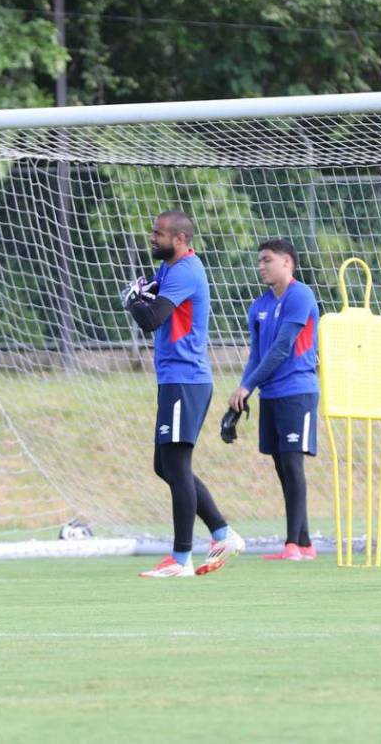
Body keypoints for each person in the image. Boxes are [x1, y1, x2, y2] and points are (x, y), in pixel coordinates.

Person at [123, 210, 244, 578]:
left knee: (176, 465)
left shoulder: (187, 270)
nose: (151, 237)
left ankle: (180, 559)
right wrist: (143, 294)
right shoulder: (169, 271)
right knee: (166, 465)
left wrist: (133, 301)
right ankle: (222, 533)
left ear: (179, 239)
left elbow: (152, 319)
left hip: (185, 380)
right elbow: (155, 302)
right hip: (176, 380)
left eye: (158, 233)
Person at [229, 239, 320, 561]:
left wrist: (249, 384)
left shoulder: (301, 295)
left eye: (267, 260)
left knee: (293, 466)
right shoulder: (259, 305)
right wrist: (244, 388)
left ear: (287, 262)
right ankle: (305, 543)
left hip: (298, 391)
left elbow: (283, 347)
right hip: (271, 394)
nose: (261, 266)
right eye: (260, 261)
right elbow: (258, 353)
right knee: (283, 467)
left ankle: (292, 545)